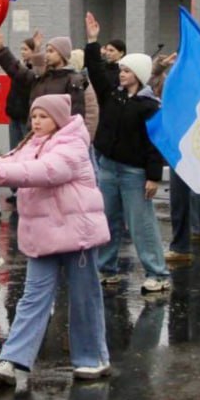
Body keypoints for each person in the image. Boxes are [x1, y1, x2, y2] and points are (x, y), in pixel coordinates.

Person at [0, 95, 113, 386]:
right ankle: (12, 360)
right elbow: (9, 162)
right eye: (34, 116)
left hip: (76, 235)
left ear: (58, 118)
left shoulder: (72, 144)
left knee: (84, 298)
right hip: (44, 237)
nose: (36, 122)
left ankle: (92, 359)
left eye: (43, 117)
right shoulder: (32, 143)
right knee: (32, 298)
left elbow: (47, 171)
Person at [83, 15, 171, 292]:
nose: (121, 74)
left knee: (141, 224)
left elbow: (155, 143)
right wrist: (92, 42)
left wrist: (153, 177)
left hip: (134, 172)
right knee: (107, 220)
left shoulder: (149, 105)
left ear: (140, 75)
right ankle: (106, 269)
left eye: (127, 71)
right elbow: (96, 71)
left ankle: (157, 273)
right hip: (108, 166)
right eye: (121, 70)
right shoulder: (113, 94)